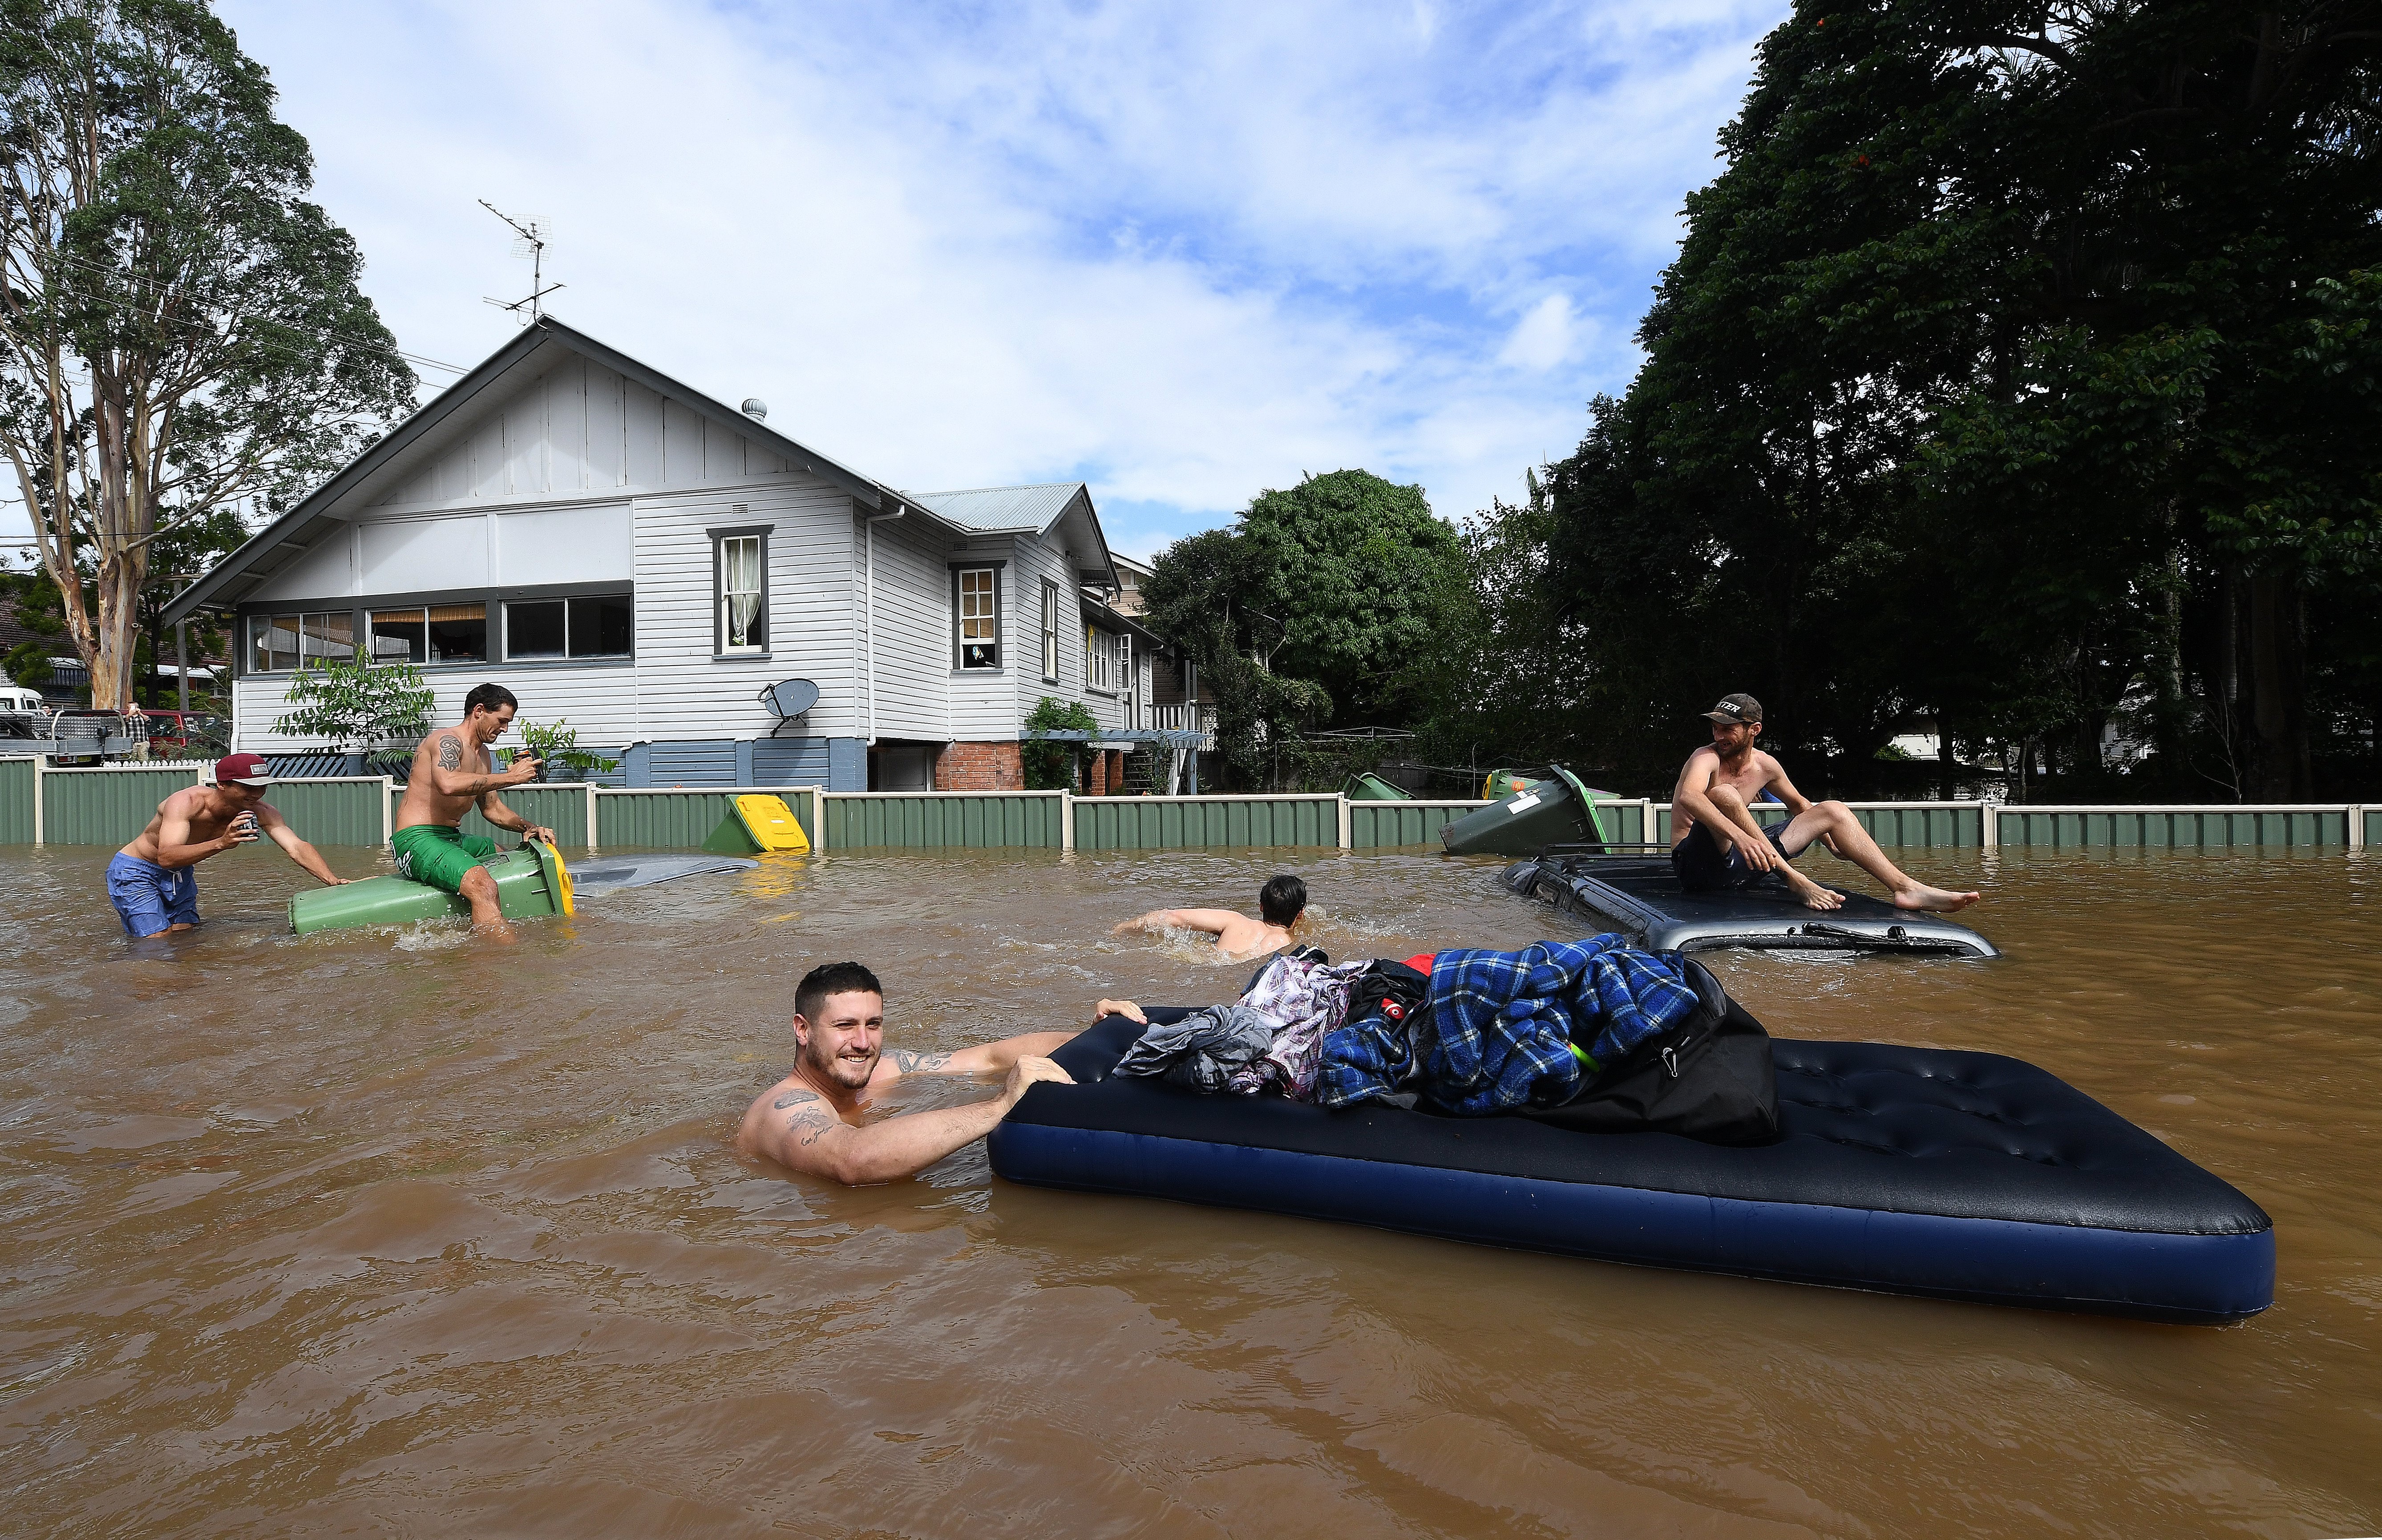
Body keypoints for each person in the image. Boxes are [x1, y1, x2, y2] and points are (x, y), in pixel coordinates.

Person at [736, 962, 1079, 1184]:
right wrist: (999, 1106)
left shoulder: (887, 1069)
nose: (862, 1042)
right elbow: (851, 1159)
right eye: (844, 1026)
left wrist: (1093, 1037)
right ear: (803, 1029)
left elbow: (989, 1058)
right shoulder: (784, 1109)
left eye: (873, 1025)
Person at [1670, 693, 1979, 913]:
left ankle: (1904, 887)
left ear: (1754, 730)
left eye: (1727, 728)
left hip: (1745, 861)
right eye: (1715, 727)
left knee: (1832, 809)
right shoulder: (1705, 757)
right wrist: (1741, 837)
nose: (1718, 734)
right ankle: (1797, 881)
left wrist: (1832, 840)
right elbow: (1690, 796)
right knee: (1725, 794)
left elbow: (1800, 804)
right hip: (1695, 868)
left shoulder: (1766, 766)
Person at [106, 752, 351, 938]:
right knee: (156, 940)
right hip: (137, 870)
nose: (256, 794)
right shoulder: (186, 802)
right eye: (248, 787)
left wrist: (332, 881)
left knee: (185, 936)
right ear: (222, 784)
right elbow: (167, 857)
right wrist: (222, 843)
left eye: (262, 786)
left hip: (181, 872)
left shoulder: (263, 811)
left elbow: (296, 847)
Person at [391, 683, 557, 931]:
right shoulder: (447, 741)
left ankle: (491, 922)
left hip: (450, 838)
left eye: (509, 722)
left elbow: (492, 808)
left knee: (503, 856)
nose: (505, 728)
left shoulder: (484, 756)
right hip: (415, 839)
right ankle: (494, 959)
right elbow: (448, 783)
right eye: (502, 720)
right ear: (479, 711)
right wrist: (512, 778)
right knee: (483, 885)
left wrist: (531, 828)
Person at [1112, 873, 1307, 959]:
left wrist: (1122, 928)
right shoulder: (1284, 941)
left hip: (1202, 959)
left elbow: (1172, 917)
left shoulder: (1234, 921)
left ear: (1261, 906)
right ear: (1300, 914)